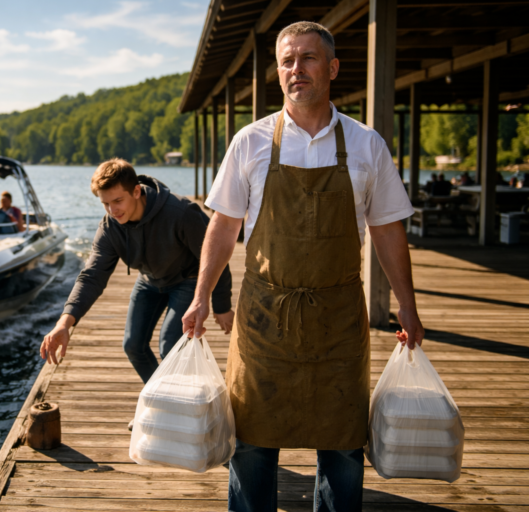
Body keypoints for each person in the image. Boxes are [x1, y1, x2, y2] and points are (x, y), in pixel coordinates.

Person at [181, 21, 424, 512]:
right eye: (288, 60)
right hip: (264, 318)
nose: (297, 69)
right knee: (250, 443)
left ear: (332, 68)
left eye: (308, 58)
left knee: (342, 446)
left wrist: (408, 307)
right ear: (278, 71)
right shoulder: (249, 142)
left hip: (337, 319)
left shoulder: (366, 145)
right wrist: (201, 296)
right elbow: (223, 227)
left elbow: (387, 230)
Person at [39, 159, 234, 430]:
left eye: (117, 200)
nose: (112, 210)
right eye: (105, 203)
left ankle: (174, 408)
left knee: (170, 346)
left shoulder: (182, 212)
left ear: (137, 191)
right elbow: (92, 276)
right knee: (133, 345)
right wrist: (64, 323)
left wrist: (221, 305)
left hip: (188, 280)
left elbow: (216, 257)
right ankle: (164, 403)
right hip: (150, 281)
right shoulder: (110, 226)